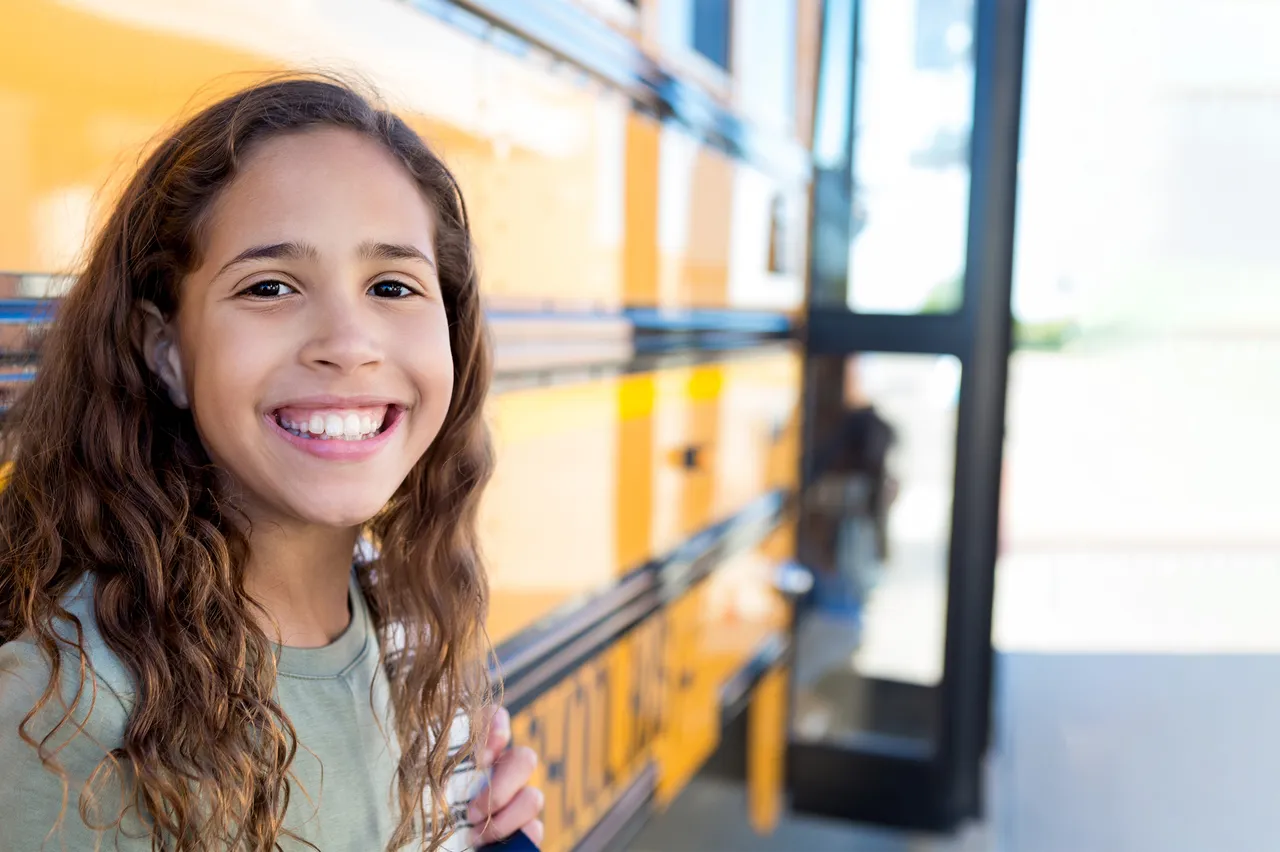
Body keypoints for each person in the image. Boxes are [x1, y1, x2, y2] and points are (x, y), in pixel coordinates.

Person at [0, 76, 543, 851]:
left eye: (392, 285)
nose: (349, 343)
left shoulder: (412, 627)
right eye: (270, 286)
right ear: (167, 353)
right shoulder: (70, 722)